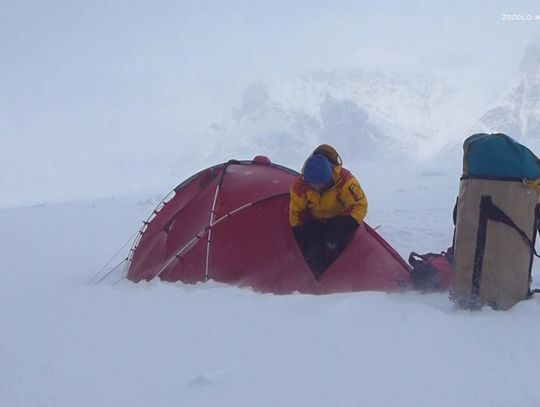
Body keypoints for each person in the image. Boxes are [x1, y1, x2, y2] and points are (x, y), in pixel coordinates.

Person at [289, 145, 368, 279]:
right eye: (313, 183)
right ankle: (317, 278)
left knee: (334, 244)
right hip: (315, 220)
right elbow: (295, 212)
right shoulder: (300, 186)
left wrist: (351, 223)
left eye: (321, 183)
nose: (316, 187)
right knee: (311, 251)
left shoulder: (346, 182)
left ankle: (338, 276)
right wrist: (297, 230)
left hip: (340, 217)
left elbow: (361, 205)